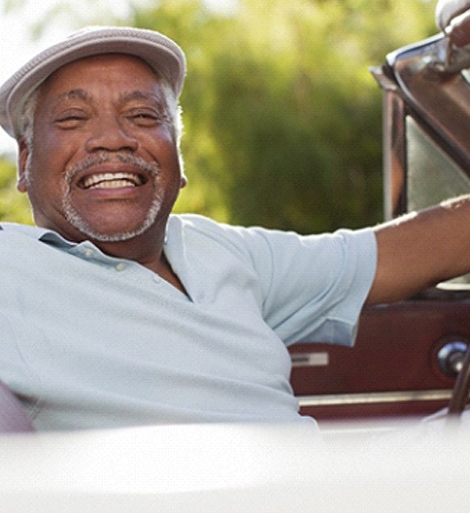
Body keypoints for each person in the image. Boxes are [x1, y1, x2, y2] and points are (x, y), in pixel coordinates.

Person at [0, 26, 469, 432]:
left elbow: (401, 252)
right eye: (72, 119)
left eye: (143, 116)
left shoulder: (224, 252)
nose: (113, 138)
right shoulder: (12, 266)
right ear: (25, 162)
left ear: (178, 158)